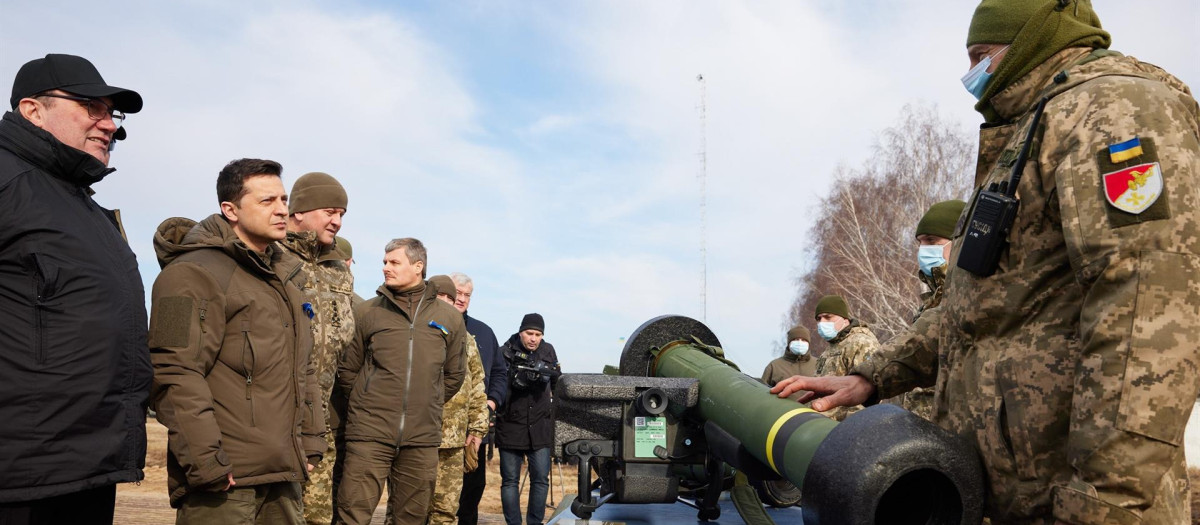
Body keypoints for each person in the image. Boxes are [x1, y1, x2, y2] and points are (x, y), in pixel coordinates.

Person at [773, 1, 1200, 521]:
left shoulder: (1113, 109)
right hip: (1013, 495)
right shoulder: (1031, 130)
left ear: (1033, 40)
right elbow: (973, 313)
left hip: (1076, 504)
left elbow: (1149, 310)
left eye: (981, 55)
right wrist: (872, 375)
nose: (972, 74)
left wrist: (1104, 502)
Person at [0, 54, 150, 525]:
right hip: (20, 476)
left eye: (113, 113)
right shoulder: (7, 183)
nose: (109, 125)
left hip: (85, 467)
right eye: (91, 107)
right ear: (32, 110)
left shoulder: (84, 206)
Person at [149, 158, 325, 523]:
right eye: (267, 201)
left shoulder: (287, 282)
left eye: (283, 199)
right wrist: (205, 462)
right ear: (230, 209)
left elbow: (303, 369)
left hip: (284, 475)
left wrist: (311, 443)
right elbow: (171, 370)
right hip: (224, 484)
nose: (281, 210)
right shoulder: (187, 273)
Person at [333, 238, 466, 525]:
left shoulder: (449, 318)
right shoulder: (367, 312)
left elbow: (454, 375)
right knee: (352, 515)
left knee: (411, 518)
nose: (385, 268)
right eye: (384, 262)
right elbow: (347, 370)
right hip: (369, 433)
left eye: (394, 262)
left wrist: (425, 402)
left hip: (421, 438)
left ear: (418, 267)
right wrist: (367, 402)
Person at [277, 171, 355, 525]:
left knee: (317, 517)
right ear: (299, 213)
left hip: (321, 421)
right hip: (274, 418)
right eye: (329, 212)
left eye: (341, 214)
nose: (337, 222)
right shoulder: (272, 256)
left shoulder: (339, 269)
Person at [418, 275, 488, 525]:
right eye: (444, 296)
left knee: (446, 510)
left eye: (454, 297)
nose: (451, 301)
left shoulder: (466, 339)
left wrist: (478, 429)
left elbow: (478, 385)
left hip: (454, 441)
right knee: (411, 509)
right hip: (418, 438)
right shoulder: (414, 331)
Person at [893, 199, 966, 420]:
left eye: (932, 241)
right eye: (921, 242)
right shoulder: (929, 303)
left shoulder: (970, 295)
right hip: (922, 430)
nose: (924, 249)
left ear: (959, 240)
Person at [451, 271, 509, 525]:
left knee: (472, 489)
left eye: (467, 295)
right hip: (437, 430)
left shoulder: (484, 332)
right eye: (457, 293)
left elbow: (499, 372)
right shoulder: (428, 325)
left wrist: (491, 402)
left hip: (474, 430)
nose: (462, 299)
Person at [496, 313, 561, 525]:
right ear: (520, 331)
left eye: (538, 334)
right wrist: (517, 379)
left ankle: (535, 523)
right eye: (529, 333)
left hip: (540, 426)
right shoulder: (504, 352)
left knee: (541, 480)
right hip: (511, 424)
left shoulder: (548, 350)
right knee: (510, 481)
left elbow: (557, 380)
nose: (533, 338)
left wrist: (552, 376)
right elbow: (496, 386)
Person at [812, 295, 879, 422]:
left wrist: (850, 429)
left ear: (844, 319)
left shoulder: (862, 342)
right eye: (819, 319)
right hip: (822, 425)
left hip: (845, 429)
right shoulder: (830, 349)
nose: (822, 323)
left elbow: (865, 391)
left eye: (828, 317)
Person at [760, 325, 816, 401]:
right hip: (783, 412)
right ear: (789, 343)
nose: (800, 342)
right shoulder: (774, 366)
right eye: (796, 339)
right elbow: (763, 394)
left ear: (809, 343)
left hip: (814, 412)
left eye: (804, 340)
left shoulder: (819, 364)